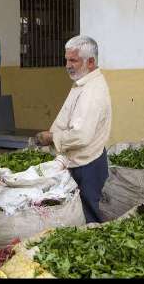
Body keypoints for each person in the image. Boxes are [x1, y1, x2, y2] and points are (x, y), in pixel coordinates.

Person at [35, 35, 112, 224]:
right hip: (79, 161)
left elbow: (81, 135)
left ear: (91, 62)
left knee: (90, 216)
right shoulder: (82, 83)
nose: (68, 65)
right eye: (67, 60)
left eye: (73, 60)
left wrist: (52, 137)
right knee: (81, 213)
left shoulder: (92, 91)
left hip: (88, 165)